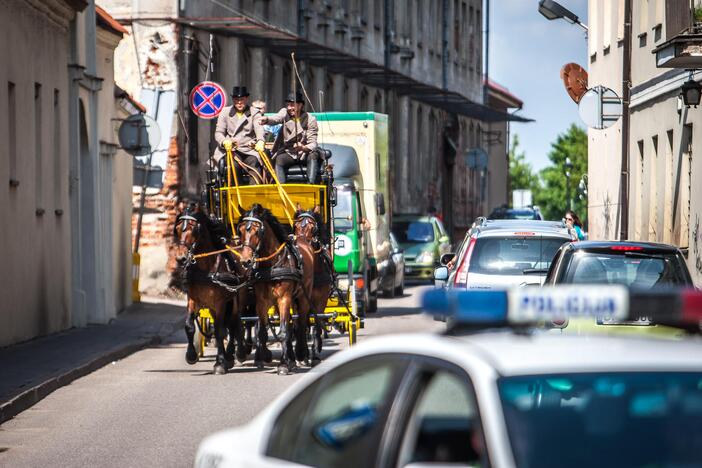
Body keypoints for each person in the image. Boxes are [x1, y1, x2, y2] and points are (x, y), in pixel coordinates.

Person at [259, 92, 320, 184]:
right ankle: (281, 188)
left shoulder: (310, 119)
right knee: (279, 159)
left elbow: (313, 143)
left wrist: (303, 147)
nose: (289, 108)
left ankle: (311, 186)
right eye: (288, 105)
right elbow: (276, 118)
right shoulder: (284, 113)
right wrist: (267, 119)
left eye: (292, 105)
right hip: (289, 152)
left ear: (300, 105)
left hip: (304, 153)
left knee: (313, 155)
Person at [213, 86, 265, 185]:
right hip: (232, 150)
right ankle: (236, 193)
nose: (239, 102)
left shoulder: (255, 112)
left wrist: (261, 140)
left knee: (255, 163)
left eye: (242, 99)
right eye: (236, 100)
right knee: (233, 165)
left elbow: (259, 129)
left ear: (247, 99)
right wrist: (224, 141)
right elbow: (219, 132)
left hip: (249, 150)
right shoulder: (225, 112)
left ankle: (254, 194)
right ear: (233, 100)